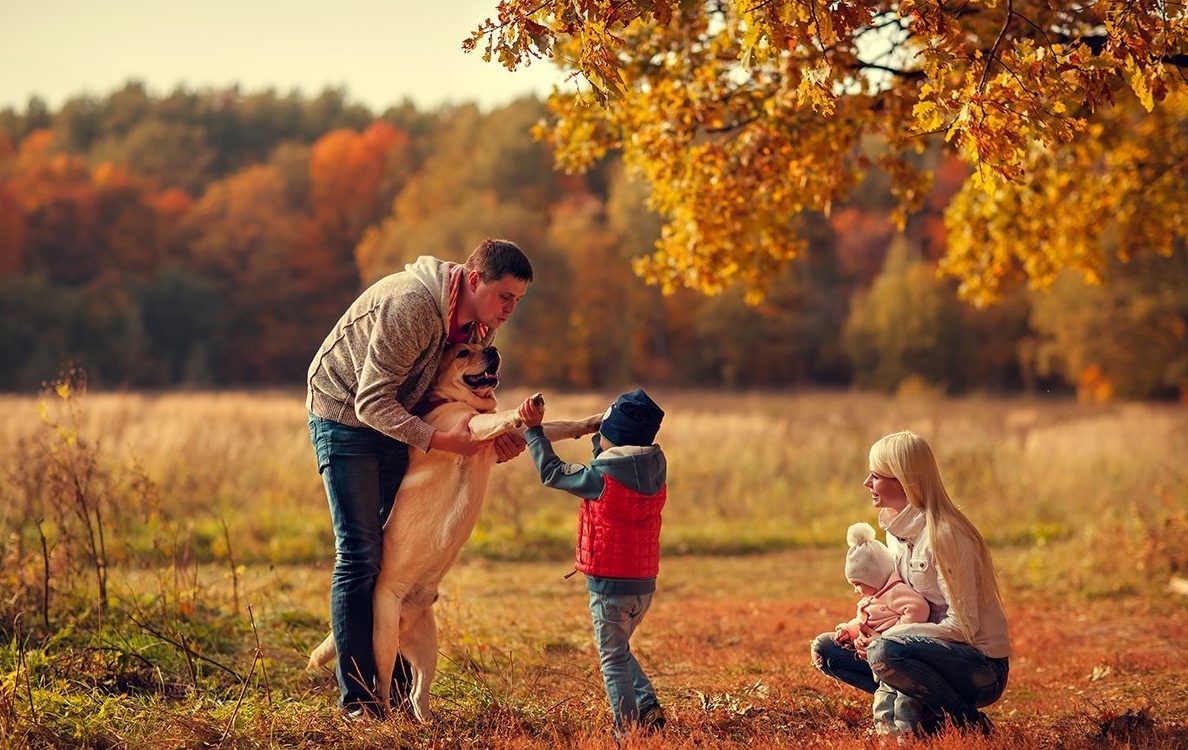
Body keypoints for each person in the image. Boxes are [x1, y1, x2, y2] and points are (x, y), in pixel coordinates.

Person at [306, 239, 532, 716]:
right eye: (504, 296)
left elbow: (452, 391)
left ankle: (397, 692)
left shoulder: (480, 324)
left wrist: (496, 438)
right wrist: (443, 441)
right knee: (360, 553)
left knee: (392, 559)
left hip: (398, 417)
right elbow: (370, 402)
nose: (509, 309)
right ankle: (360, 703)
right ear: (474, 280)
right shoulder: (412, 306)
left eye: (517, 300)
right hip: (343, 415)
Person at [810, 430, 1011, 738]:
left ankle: (966, 720)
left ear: (904, 481)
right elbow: (897, 599)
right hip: (915, 650)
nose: (867, 482)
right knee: (828, 650)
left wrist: (886, 639)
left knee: (885, 652)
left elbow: (963, 627)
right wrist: (863, 633)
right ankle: (928, 715)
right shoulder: (894, 532)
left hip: (979, 667)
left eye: (876, 475)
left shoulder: (945, 535)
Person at [517, 388, 668, 737]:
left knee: (612, 659)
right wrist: (601, 436)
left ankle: (628, 732)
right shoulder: (653, 471)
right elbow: (610, 458)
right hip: (643, 585)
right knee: (618, 649)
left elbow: (553, 472)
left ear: (613, 438)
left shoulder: (600, 480)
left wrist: (533, 431)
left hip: (610, 587)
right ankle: (647, 707)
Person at [832, 521, 930, 733]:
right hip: (881, 665)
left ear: (873, 576)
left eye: (857, 584)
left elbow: (919, 609)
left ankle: (907, 735)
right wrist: (848, 631)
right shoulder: (873, 598)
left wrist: (887, 637)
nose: (856, 590)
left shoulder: (895, 592)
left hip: (898, 660)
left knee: (904, 699)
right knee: (884, 698)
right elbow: (862, 623)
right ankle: (887, 735)